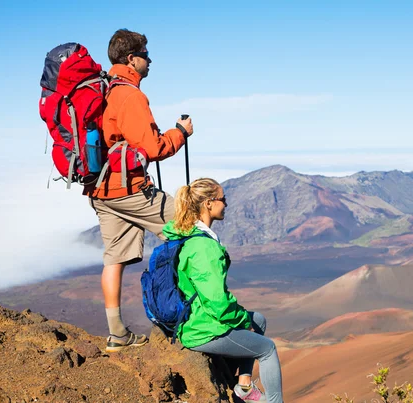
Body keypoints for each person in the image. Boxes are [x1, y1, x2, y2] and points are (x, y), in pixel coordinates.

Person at [85, 29, 194, 352]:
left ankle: (117, 334)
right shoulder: (130, 95)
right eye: (146, 55)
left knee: (114, 259)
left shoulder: (103, 90)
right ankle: (193, 315)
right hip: (129, 189)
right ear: (132, 59)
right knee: (190, 227)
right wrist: (181, 133)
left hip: (100, 190)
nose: (150, 60)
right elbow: (154, 147)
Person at [162, 178, 283, 403]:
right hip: (202, 329)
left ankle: (244, 388)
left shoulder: (189, 236)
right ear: (209, 203)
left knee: (259, 321)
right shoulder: (204, 247)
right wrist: (240, 319)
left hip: (194, 318)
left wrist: (245, 318)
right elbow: (217, 301)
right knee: (267, 349)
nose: (226, 204)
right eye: (222, 199)